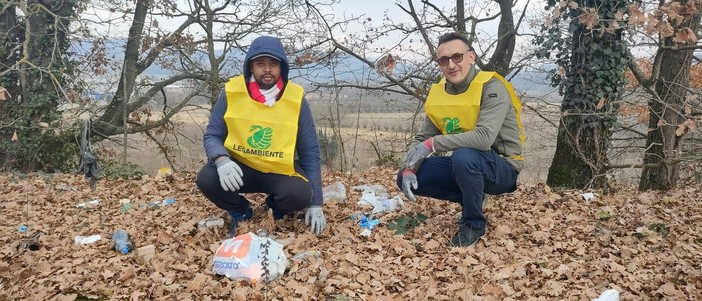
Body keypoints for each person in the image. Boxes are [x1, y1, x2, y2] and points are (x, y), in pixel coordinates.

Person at [397, 32, 525, 247]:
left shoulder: (491, 86)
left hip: (503, 166)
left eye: (457, 57)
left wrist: (432, 145)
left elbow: (483, 138)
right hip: (468, 164)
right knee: (405, 176)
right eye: (444, 60)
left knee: (464, 156)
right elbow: (422, 137)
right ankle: (472, 195)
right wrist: (409, 167)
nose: (451, 65)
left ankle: (474, 224)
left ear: (471, 57)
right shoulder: (439, 91)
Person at [196, 36, 326, 237]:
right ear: (251, 67)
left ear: (282, 67)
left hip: (278, 169)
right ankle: (241, 212)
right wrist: (221, 160)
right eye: (261, 63)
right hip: (240, 167)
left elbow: (309, 151)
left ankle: (274, 209)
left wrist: (316, 202)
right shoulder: (231, 92)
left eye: (273, 64)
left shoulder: (296, 99)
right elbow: (213, 134)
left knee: (301, 194)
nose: (267, 69)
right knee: (207, 178)